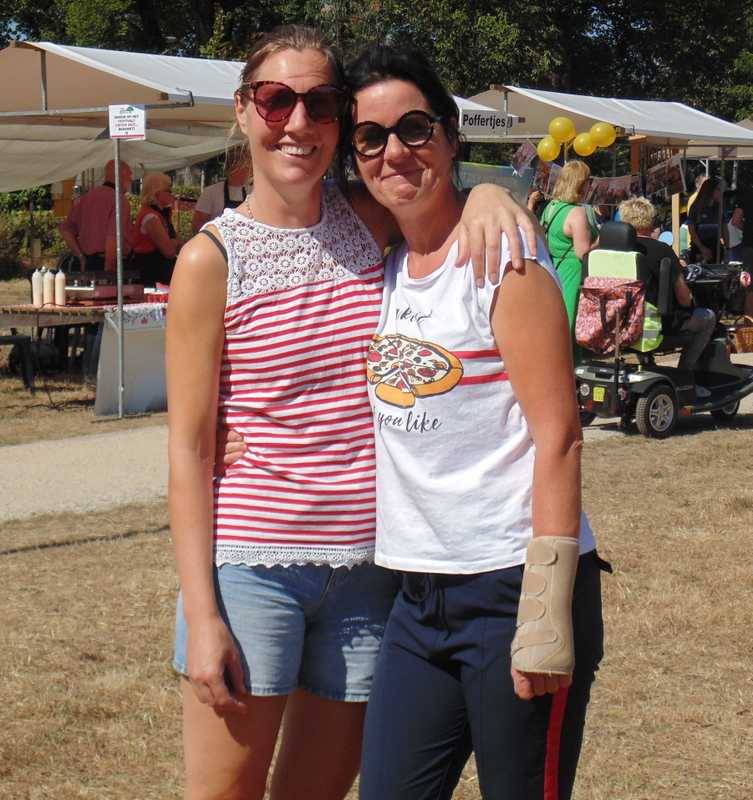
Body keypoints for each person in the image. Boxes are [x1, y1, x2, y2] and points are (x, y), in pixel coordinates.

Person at [166, 25, 537, 800]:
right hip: (253, 569)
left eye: (321, 103)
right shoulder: (209, 260)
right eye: (276, 100)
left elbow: (437, 190)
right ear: (243, 111)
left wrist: (490, 192)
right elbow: (190, 448)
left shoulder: (368, 220)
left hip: (370, 576)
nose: (297, 123)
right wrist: (202, 615)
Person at [342, 46, 604, 800]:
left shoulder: (504, 259)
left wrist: (545, 610)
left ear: (450, 136)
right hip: (416, 598)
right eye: (370, 137)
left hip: (510, 585)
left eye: (414, 128)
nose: (394, 151)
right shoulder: (384, 262)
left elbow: (559, 435)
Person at [618, 198, 716, 392]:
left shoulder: (612, 250)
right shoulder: (661, 249)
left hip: (619, 322)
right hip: (655, 324)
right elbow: (684, 298)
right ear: (651, 222)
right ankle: (685, 374)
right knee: (708, 317)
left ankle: (648, 364)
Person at [541, 160, 598, 363]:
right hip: (572, 272)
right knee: (570, 325)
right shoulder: (576, 213)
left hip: (554, 269)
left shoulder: (551, 207)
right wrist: (601, 240)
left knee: (555, 324)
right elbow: (583, 253)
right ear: (580, 183)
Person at [59, 158, 133, 271]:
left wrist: (81, 257)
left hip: (89, 262)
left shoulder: (86, 198)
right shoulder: (120, 200)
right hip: (112, 262)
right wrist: (108, 271)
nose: (131, 179)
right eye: (130, 175)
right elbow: (113, 237)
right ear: (121, 177)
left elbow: (65, 229)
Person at [132, 172, 182, 286]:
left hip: (161, 274)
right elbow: (169, 251)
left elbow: (178, 244)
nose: (171, 194)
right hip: (152, 275)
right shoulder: (150, 217)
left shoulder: (161, 215)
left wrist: (174, 242)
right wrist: (175, 243)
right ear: (158, 194)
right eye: (168, 191)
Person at [191, 150, 253, 234]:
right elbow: (197, 225)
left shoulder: (253, 192)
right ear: (235, 168)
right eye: (249, 167)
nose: (252, 171)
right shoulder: (211, 192)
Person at [686, 177, 729, 263]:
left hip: (715, 244)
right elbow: (691, 230)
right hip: (699, 244)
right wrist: (701, 247)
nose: (721, 192)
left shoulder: (720, 207)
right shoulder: (696, 207)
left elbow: (725, 229)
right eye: (718, 189)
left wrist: (727, 248)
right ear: (710, 190)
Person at [730, 188, 753, 316]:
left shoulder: (746, 196)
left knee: (751, 288)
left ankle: (748, 323)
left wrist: (747, 229)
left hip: (749, 244)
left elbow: (735, 221)